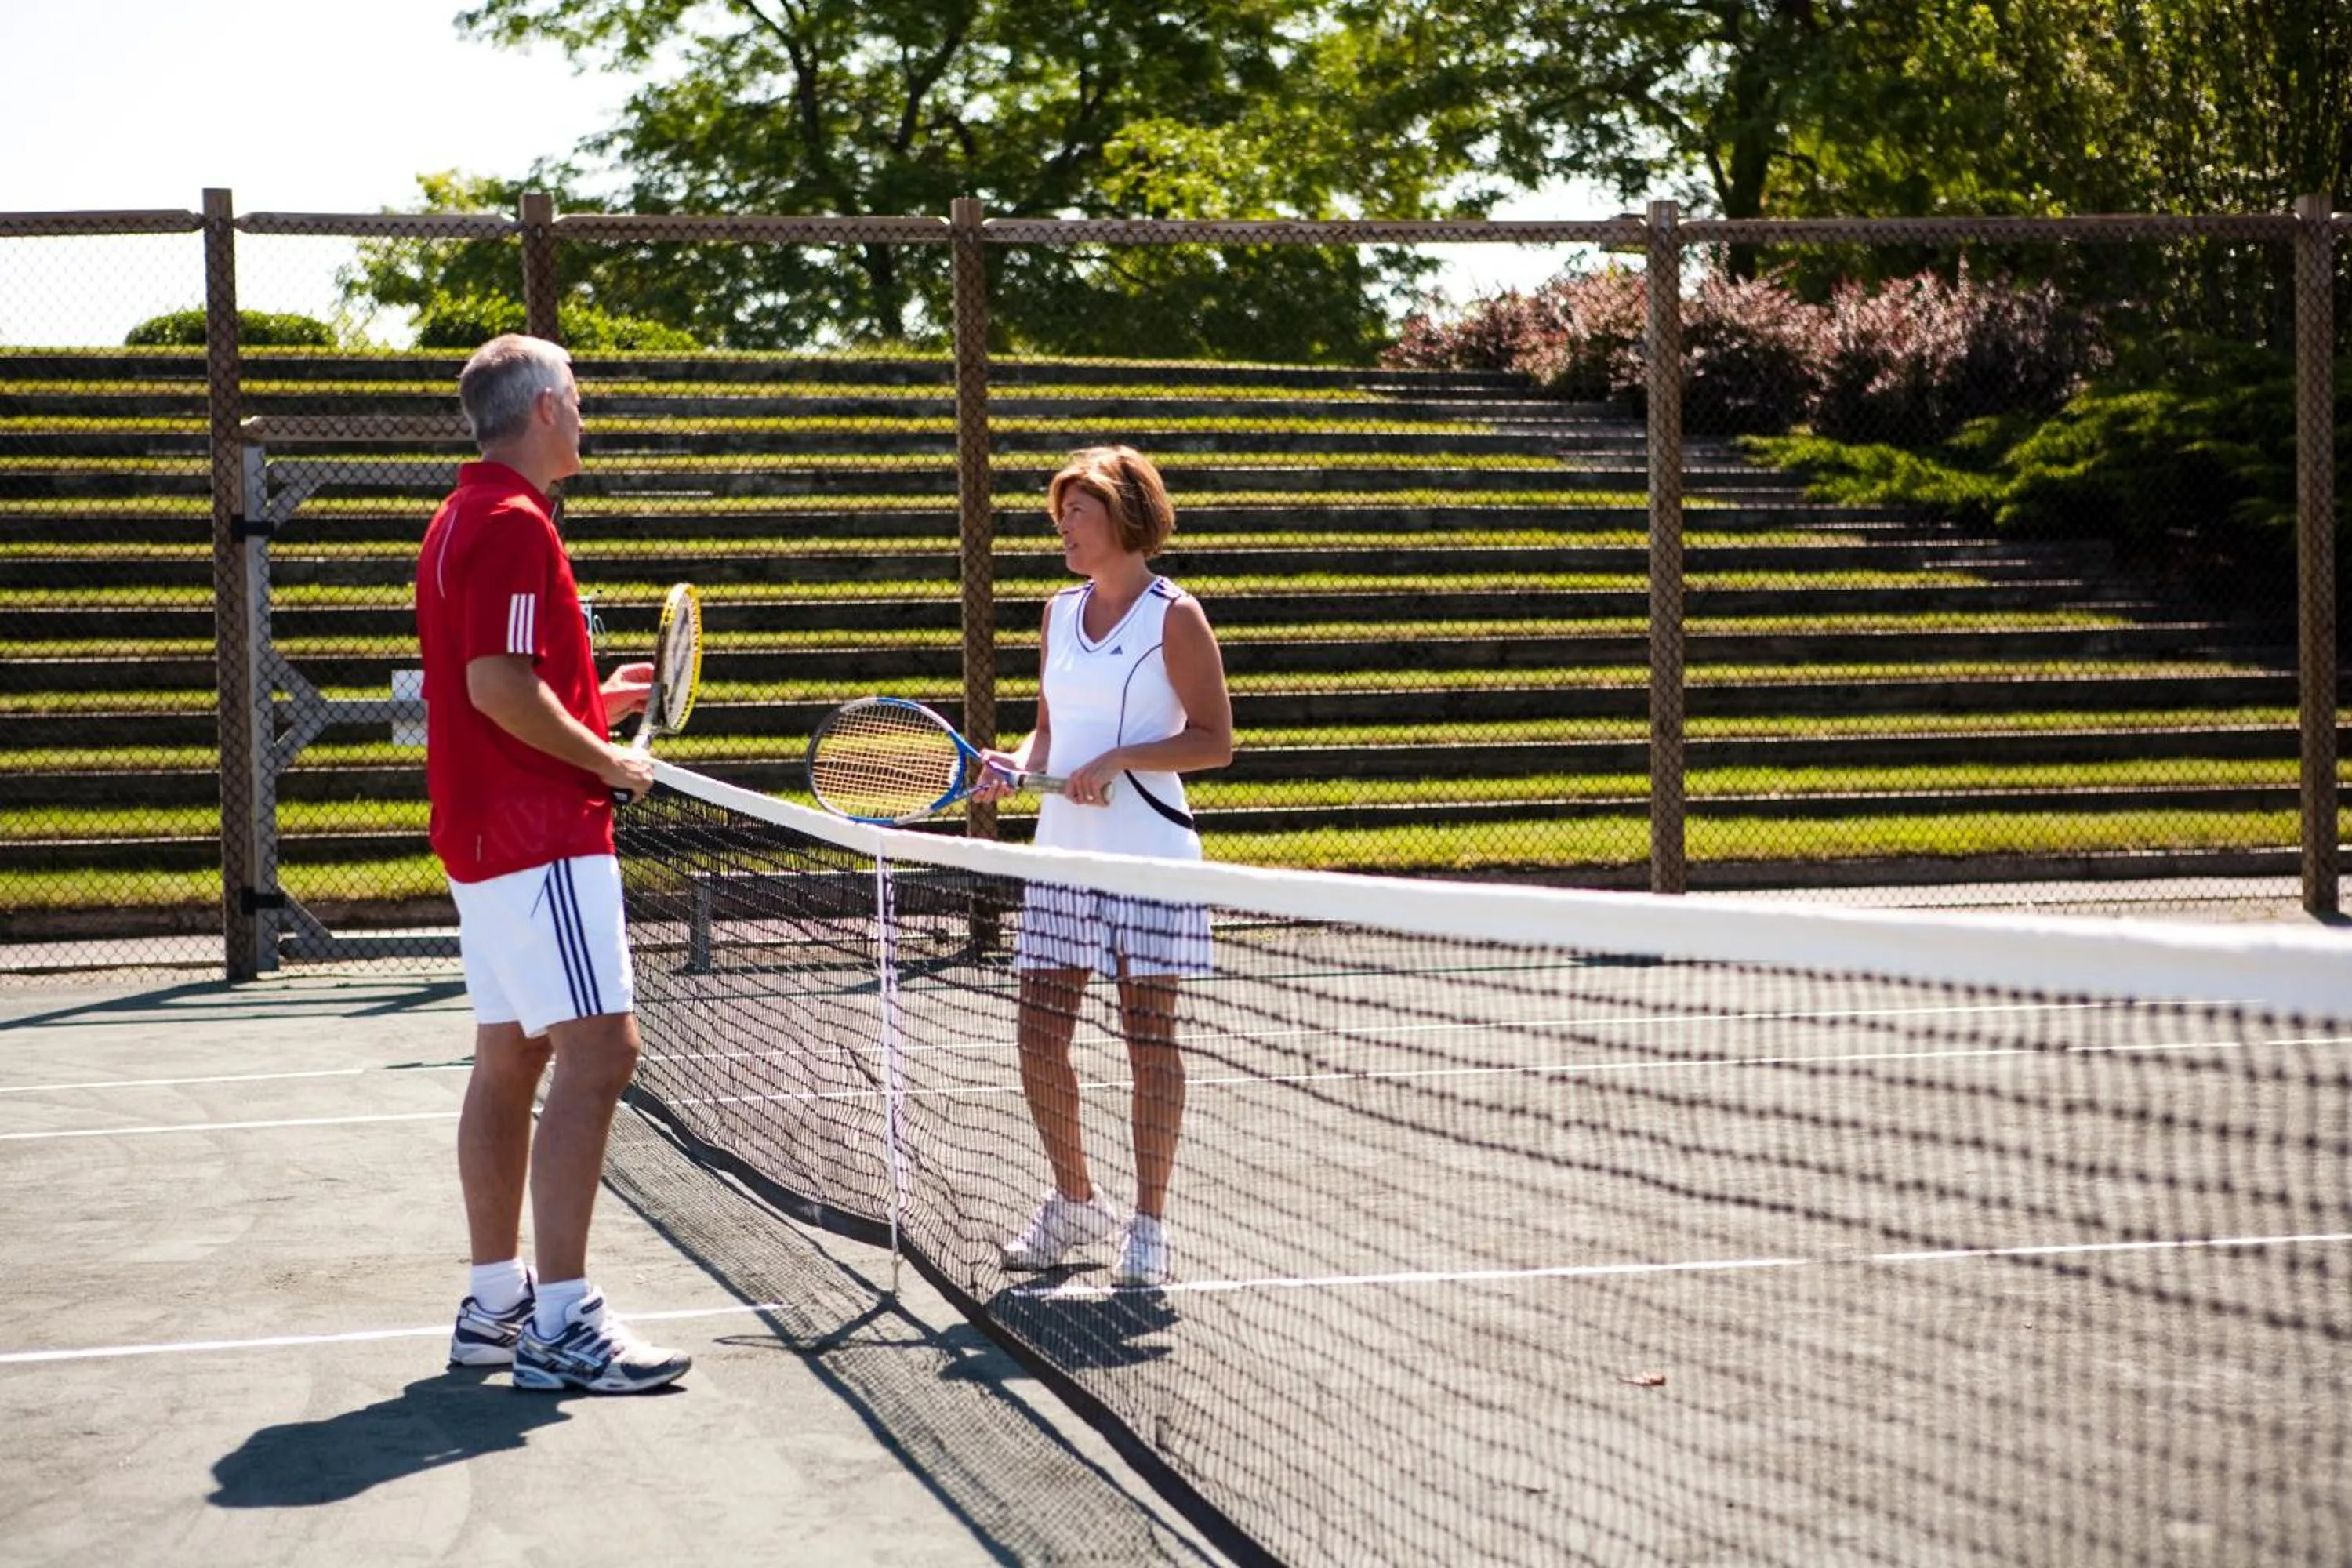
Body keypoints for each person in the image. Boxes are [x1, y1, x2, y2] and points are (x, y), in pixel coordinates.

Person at [416, 333, 691, 1393]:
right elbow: (496, 686)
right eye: (573, 400)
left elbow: (503, 680)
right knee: (602, 1053)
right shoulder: (517, 526)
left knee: (511, 1058)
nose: (582, 416)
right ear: (539, 411)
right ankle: (564, 1326)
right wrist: (608, 759)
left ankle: (496, 1308)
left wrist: (591, 706)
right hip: (541, 835)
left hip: (485, 834)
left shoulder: (460, 517)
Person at [973, 445, 1234, 1288]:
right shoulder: (1057, 611)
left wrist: (1124, 757)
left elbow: (1213, 739)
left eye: (1076, 512)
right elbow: (1049, 734)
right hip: (1063, 857)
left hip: (1149, 857)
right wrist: (1016, 765)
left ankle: (1149, 1223)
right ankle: (1075, 1199)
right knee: (1038, 1034)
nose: (1063, 527)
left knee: (1148, 1038)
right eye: (1061, 514)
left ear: (1122, 516)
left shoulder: (1174, 616)